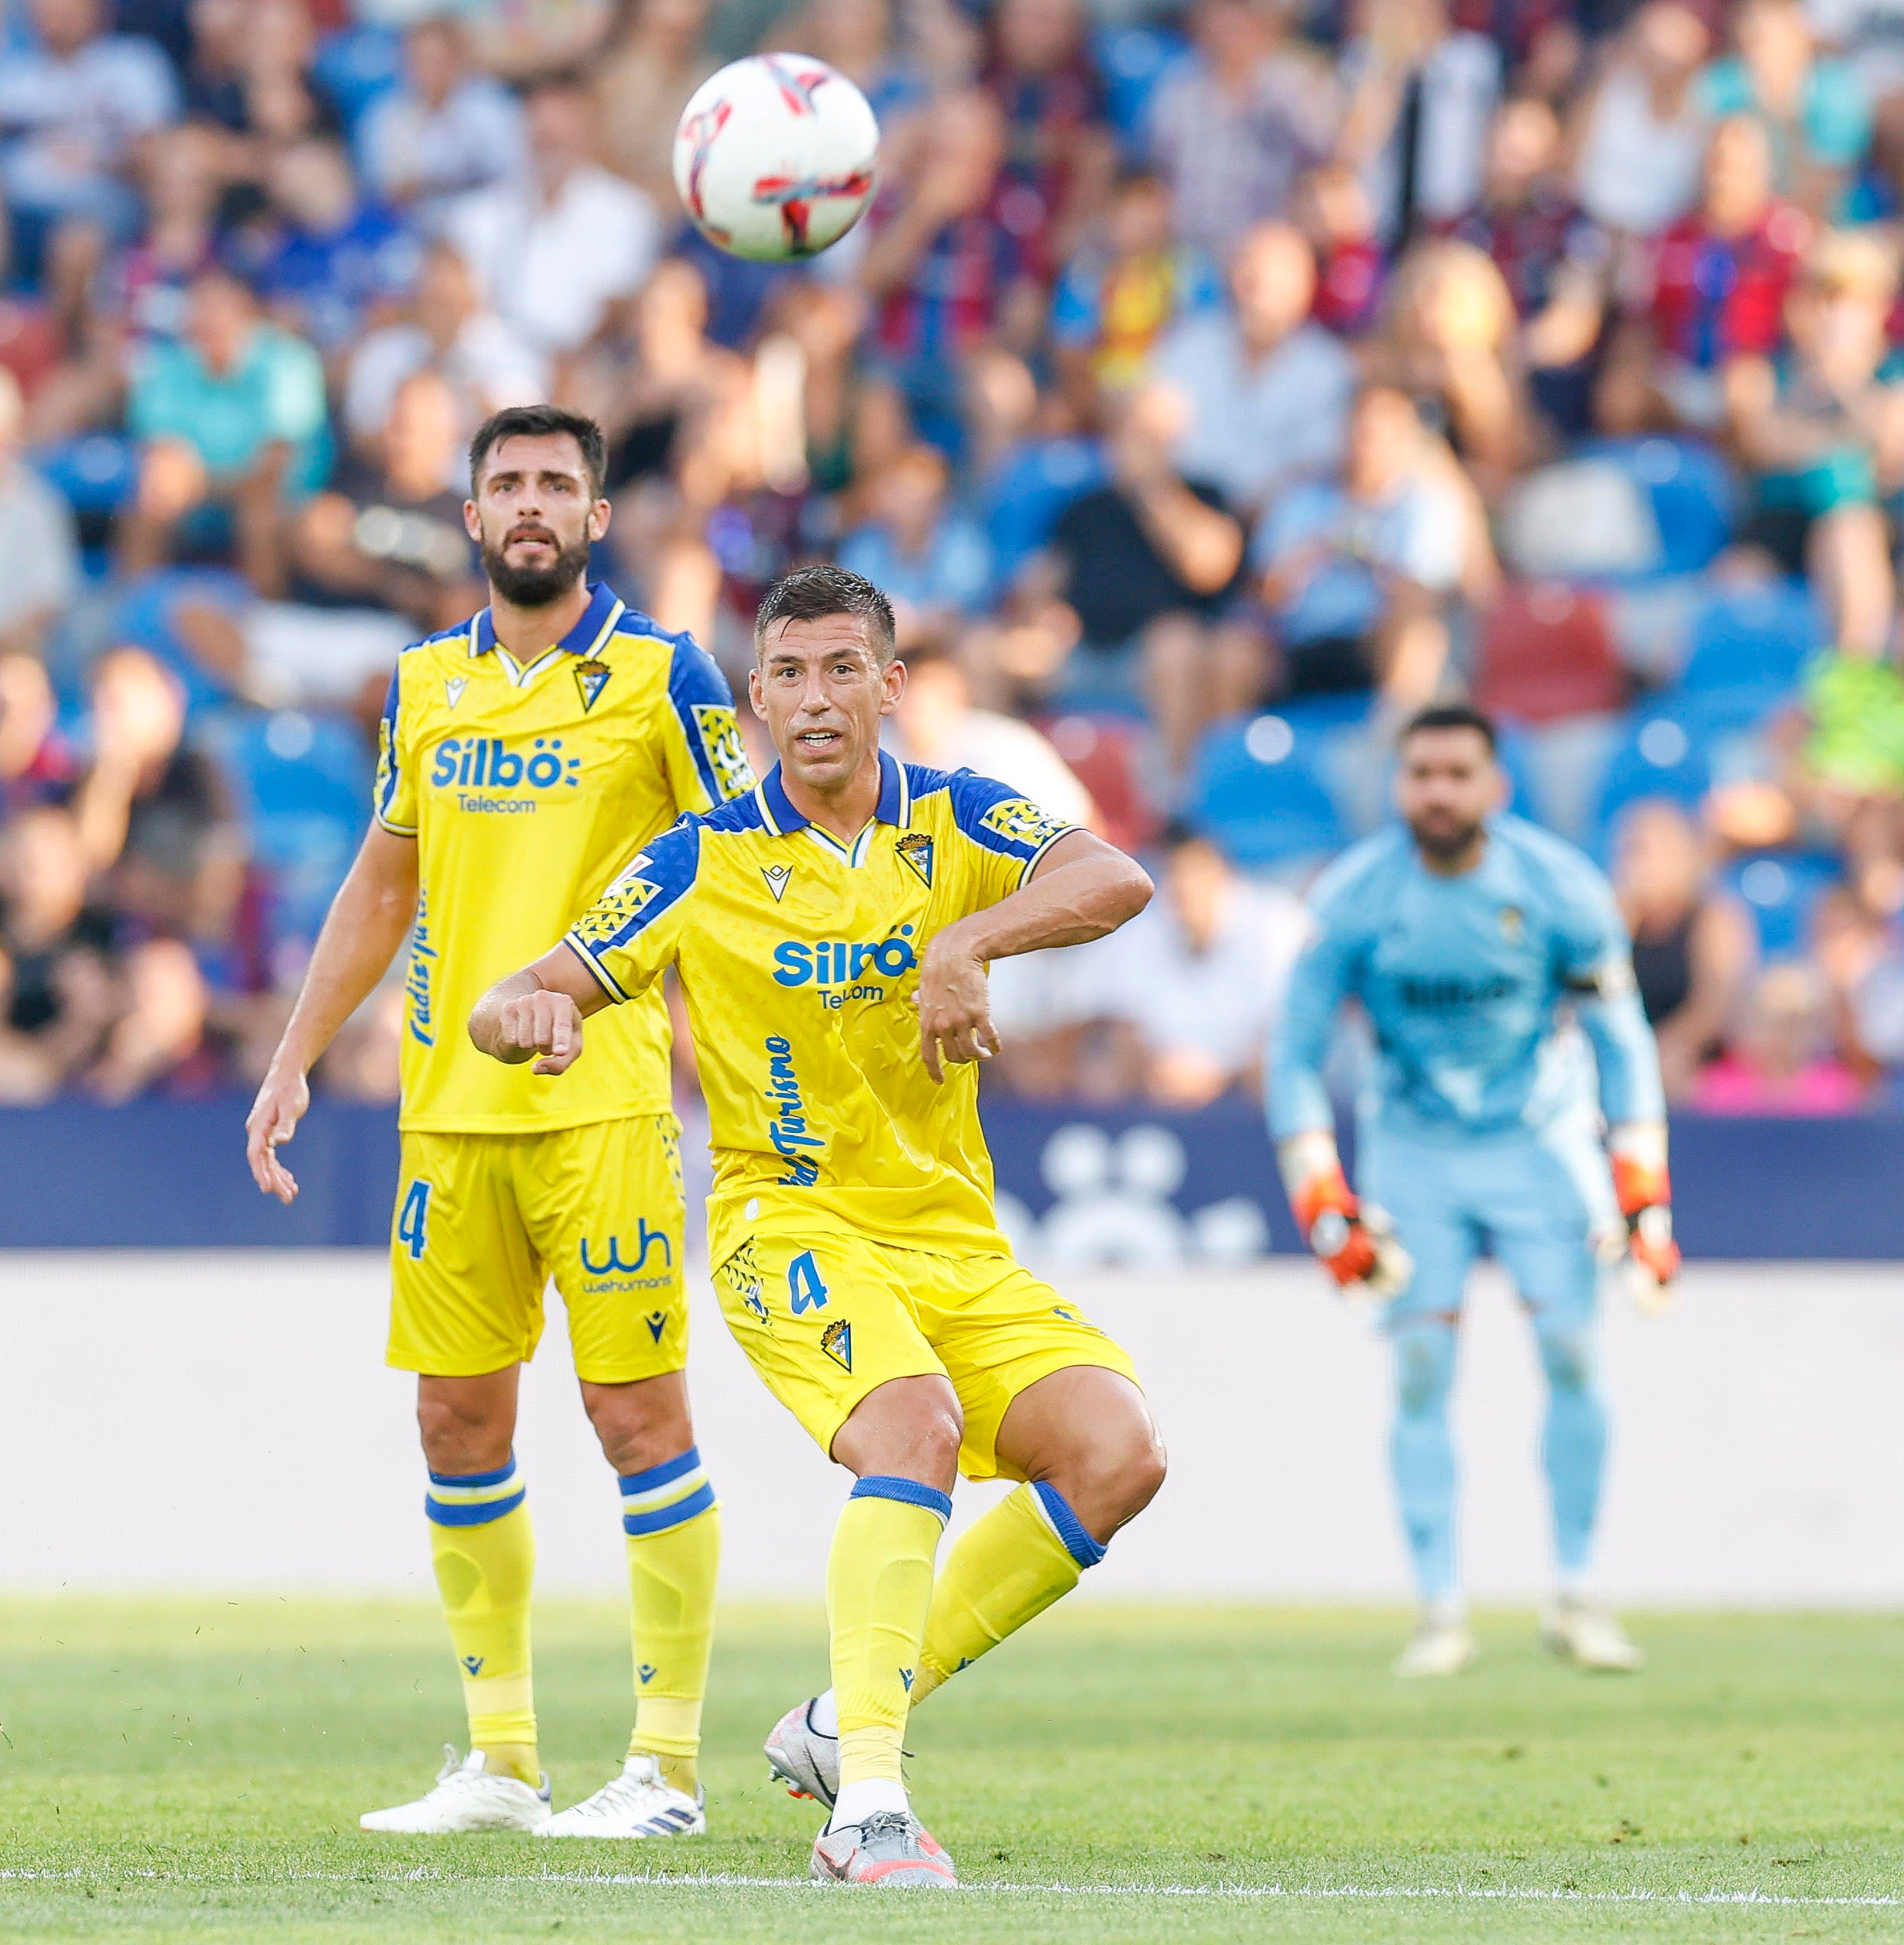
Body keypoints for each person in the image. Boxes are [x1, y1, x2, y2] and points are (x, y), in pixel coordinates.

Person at [468, 564, 1165, 1888]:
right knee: (912, 1426)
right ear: (755, 701)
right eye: (786, 674)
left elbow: (1112, 875)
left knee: (1115, 1454)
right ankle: (870, 1813)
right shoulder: (697, 860)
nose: (815, 698)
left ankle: (842, 1724)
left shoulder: (954, 817)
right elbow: (523, 989)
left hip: (949, 1236)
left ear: (891, 688)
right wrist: (532, 1015)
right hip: (780, 1219)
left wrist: (966, 941)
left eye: (843, 668)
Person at [243, 405, 754, 1841]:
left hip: (601, 1111)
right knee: (454, 1417)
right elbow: (383, 882)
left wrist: (704, 1057)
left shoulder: (665, 675)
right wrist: (295, 1053)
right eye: (506, 484)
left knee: (632, 1410)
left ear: (596, 517)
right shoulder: (423, 685)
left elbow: (733, 866)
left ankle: (660, 1768)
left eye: (556, 485)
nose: (530, 505)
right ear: (471, 519)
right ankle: (503, 1757)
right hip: (446, 1120)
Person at [1268, 705, 1679, 1679]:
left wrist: (1643, 1191)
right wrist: (1319, 1193)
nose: (1439, 791)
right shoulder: (1354, 898)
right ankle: (1439, 1608)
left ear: (1495, 786)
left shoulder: (1557, 889)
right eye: (1421, 773)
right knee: (1417, 1373)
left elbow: (1621, 1039)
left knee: (1573, 1354)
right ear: (1397, 785)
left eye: (1458, 773)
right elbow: (1289, 1053)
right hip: (1414, 1149)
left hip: (1540, 1143)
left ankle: (1576, 1592)